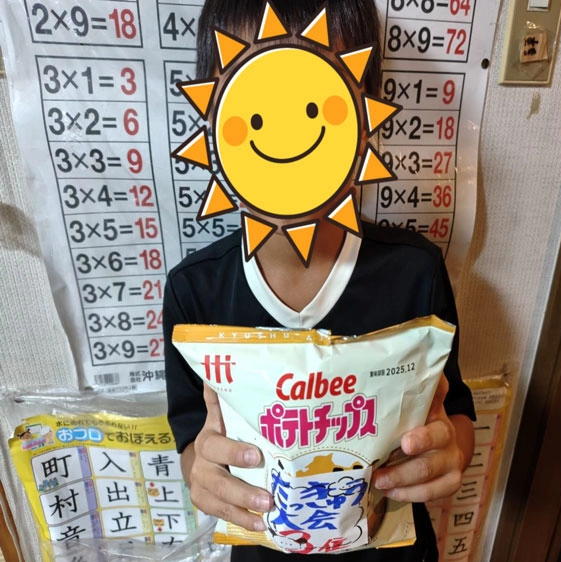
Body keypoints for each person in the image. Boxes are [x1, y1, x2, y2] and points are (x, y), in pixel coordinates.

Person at [164, 1, 476, 561]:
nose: (287, 132)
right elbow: (193, 439)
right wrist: (201, 473)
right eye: (258, 102)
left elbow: (455, 413)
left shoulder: (415, 272)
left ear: (365, 115)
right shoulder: (196, 292)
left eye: (312, 102)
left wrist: (450, 453)